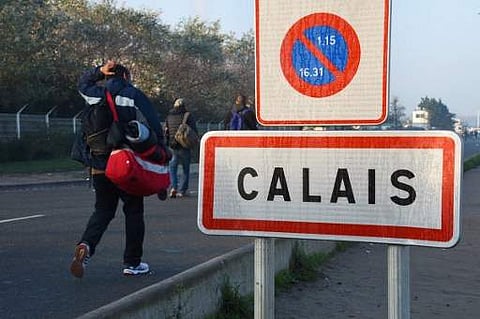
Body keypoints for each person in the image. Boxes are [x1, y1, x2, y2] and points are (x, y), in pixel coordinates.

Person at [70, 60, 165, 278]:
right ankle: (132, 263)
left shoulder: (96, 94)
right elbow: (153, 125)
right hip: (125, 164)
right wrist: (160, 154)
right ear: (126, 77)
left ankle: (86, 245)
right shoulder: (133, 95)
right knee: (133, 211)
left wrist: (98, 70)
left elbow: (81, 83)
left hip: (99, 165)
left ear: (107, 76)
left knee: (103, 210)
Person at [165, 98, 198, 198]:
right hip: (184, 144)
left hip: (172, 145)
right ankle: (182, 190)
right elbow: (193, 130)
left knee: (172, 168)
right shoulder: (187, 116)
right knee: (185, 169)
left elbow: (166, 130)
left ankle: (174, 187)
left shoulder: (169, 116)